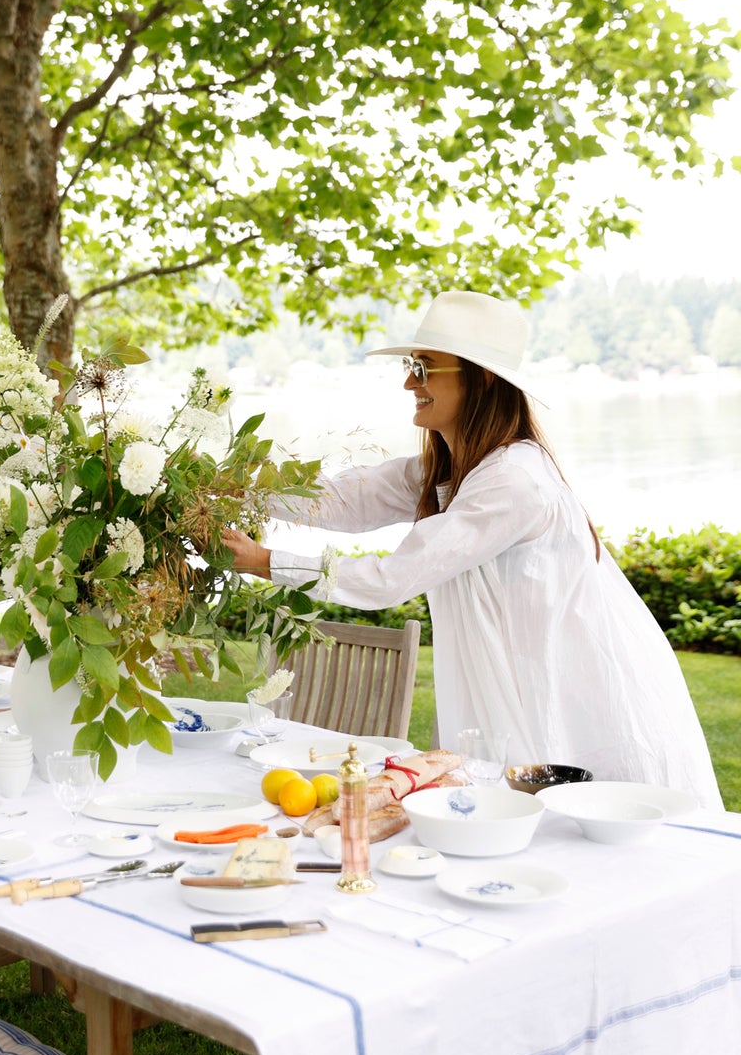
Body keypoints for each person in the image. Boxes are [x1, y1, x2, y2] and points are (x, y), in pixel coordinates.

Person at [222, 290, 723, 808]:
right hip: (514, 675)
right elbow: (348, 499)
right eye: (411, 366)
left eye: (424, 367)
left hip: (573, 685)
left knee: (596, 821)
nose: (409, 382)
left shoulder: (514, 479)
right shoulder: (453, 469)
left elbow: (395, 578)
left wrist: (265, 562)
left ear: (480, 379)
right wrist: (232, 491)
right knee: (505, 815)